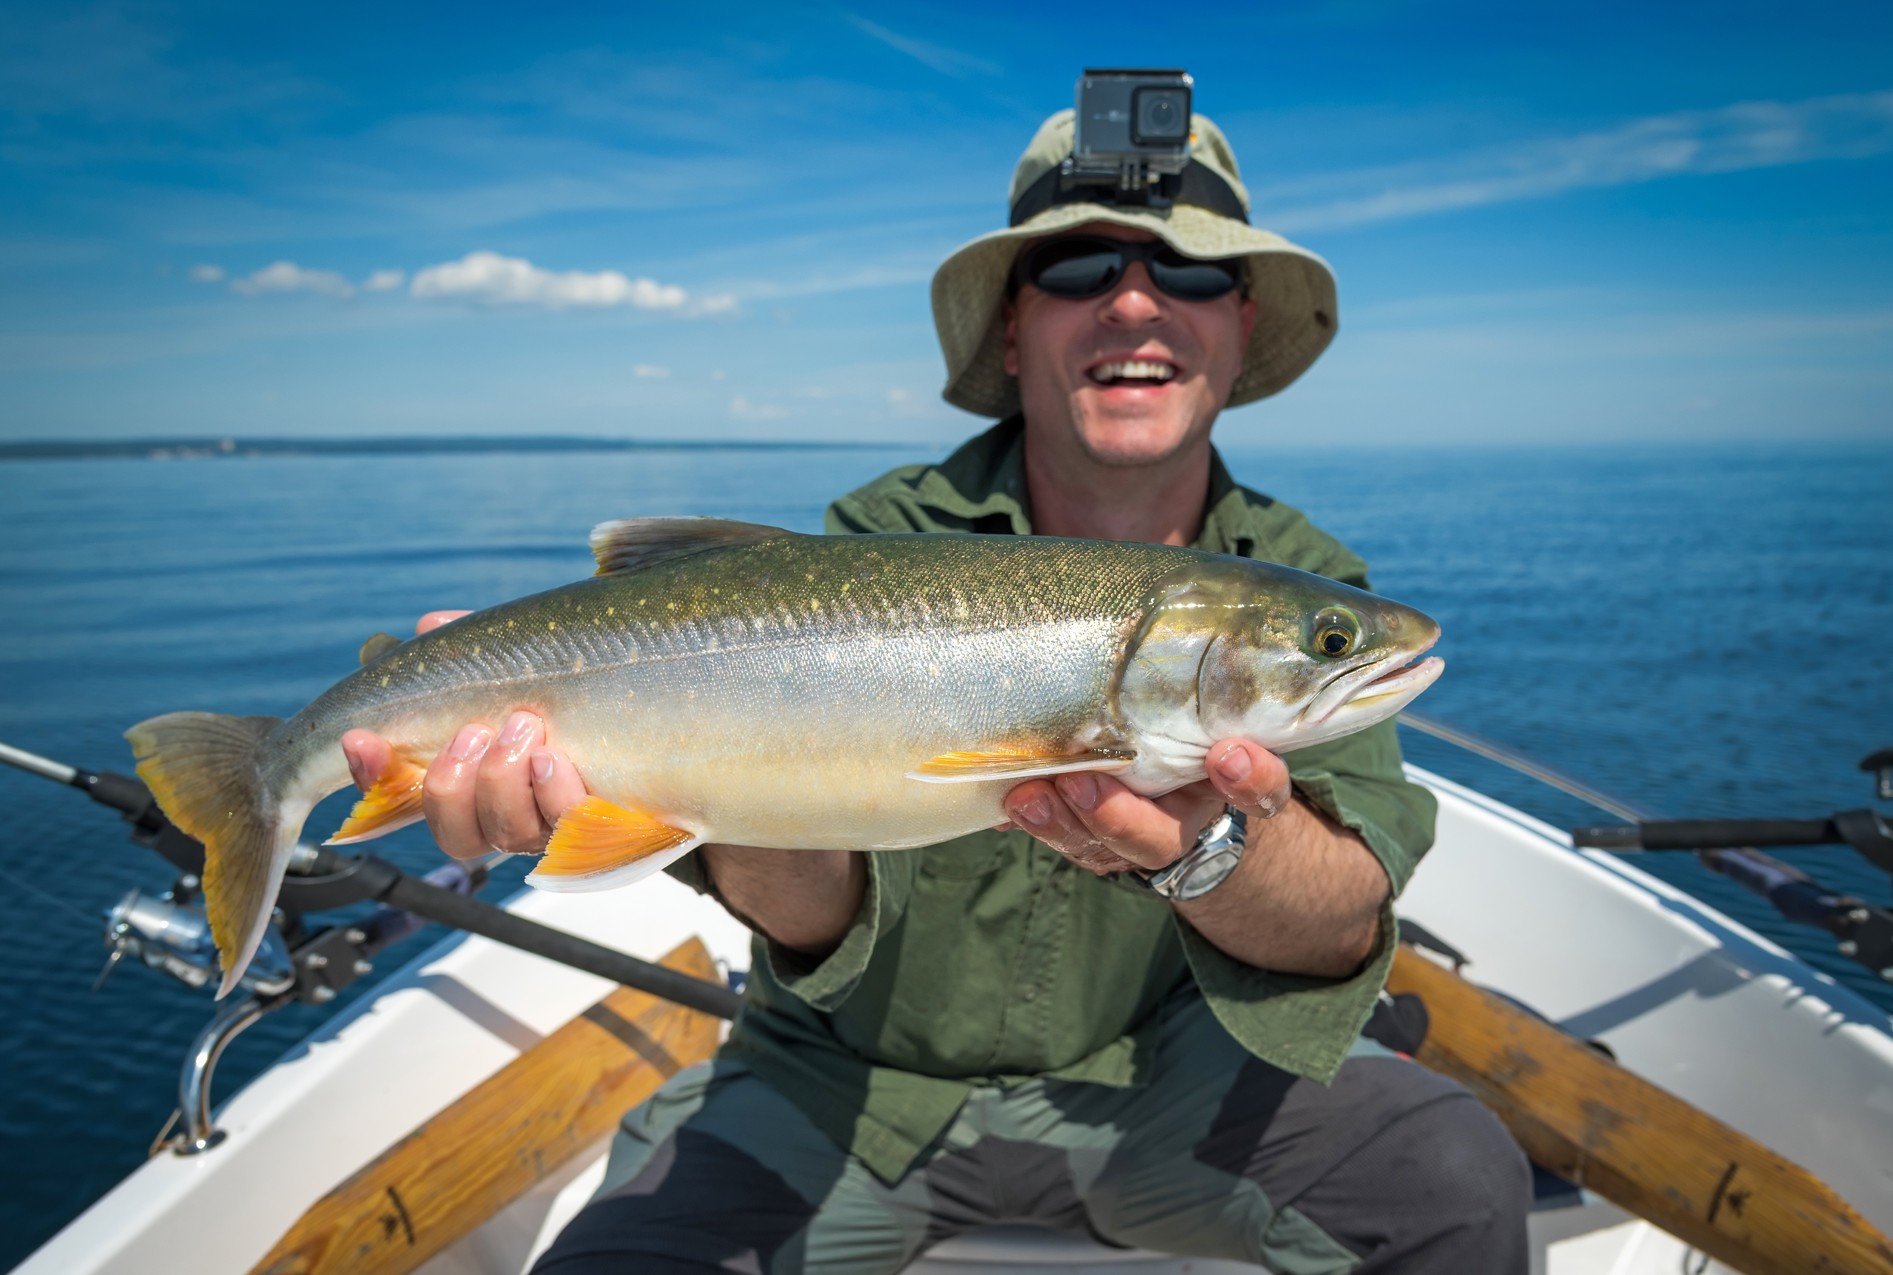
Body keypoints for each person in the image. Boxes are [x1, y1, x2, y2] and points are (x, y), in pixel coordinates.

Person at [344, 106, 1532, 1273]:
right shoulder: (876, 544)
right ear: (1013, 330)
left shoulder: (1307, 575)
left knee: (1453, 1186)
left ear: (1240, 325)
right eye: (1079, 265)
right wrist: (698, 785)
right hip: (838, 1081)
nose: (1134, 300)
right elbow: (805, 918)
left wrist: (1201, 847)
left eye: (1190, 271)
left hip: (1169, 1078)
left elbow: (1339, 922)